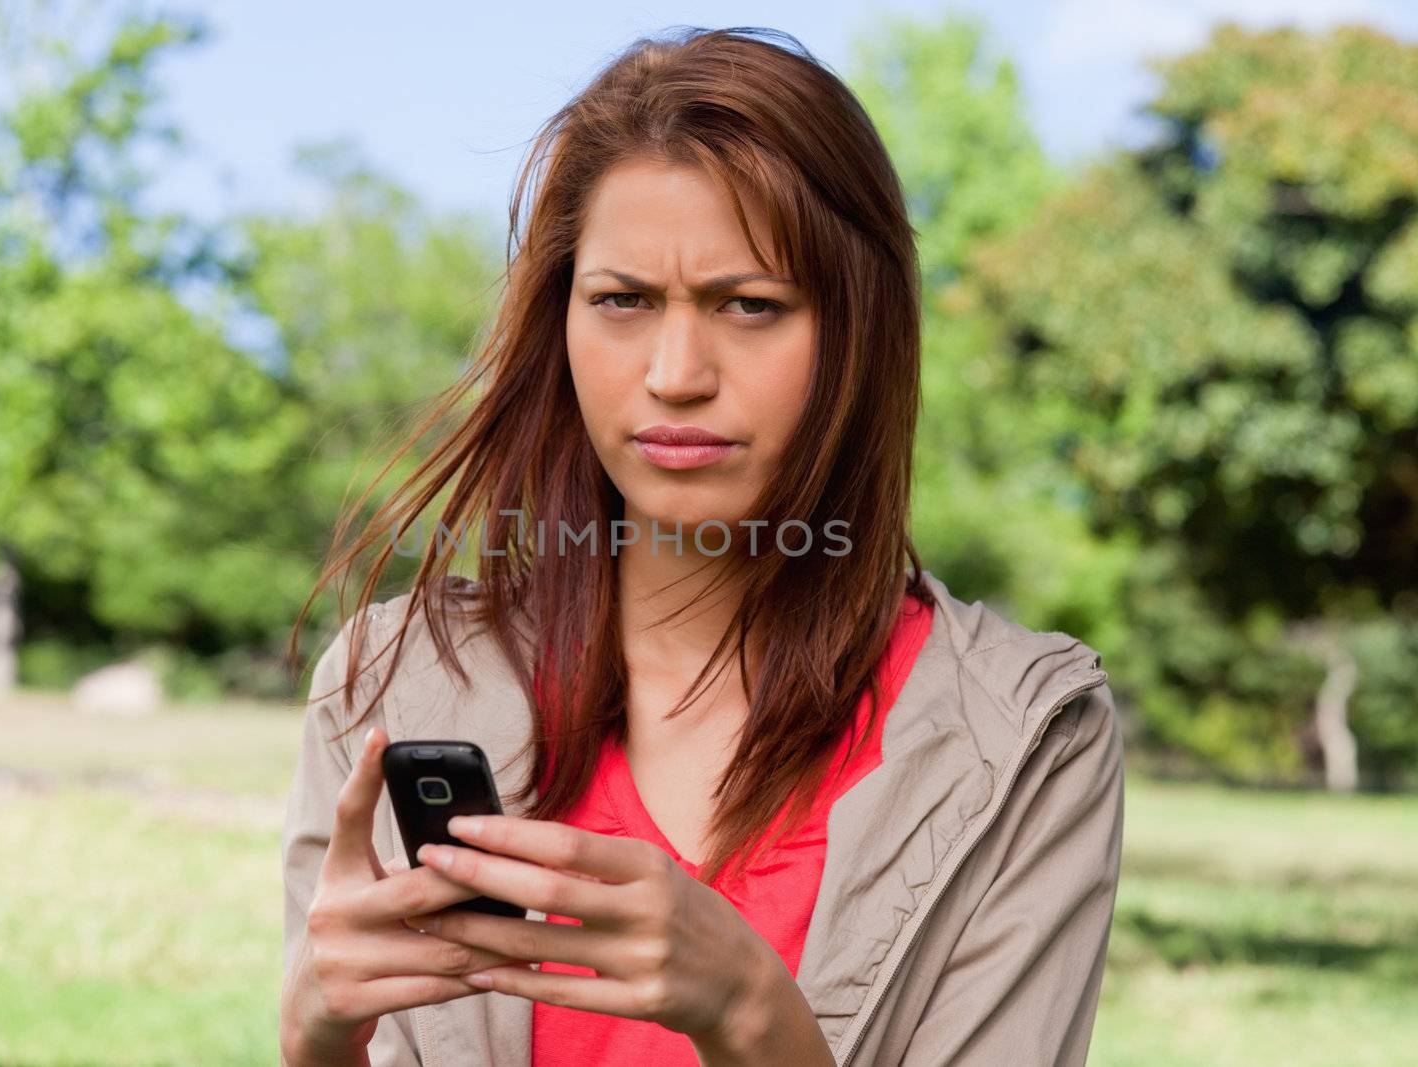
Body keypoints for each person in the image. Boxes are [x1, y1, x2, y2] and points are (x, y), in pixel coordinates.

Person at [279, 25, 1123, 1067]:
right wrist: (318, 1040)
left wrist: (747, 1010)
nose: (676, 371)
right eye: (622, 301)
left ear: (859, 334)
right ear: (562, 321)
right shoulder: (393, 685)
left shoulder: (1028, 734)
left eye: (750, 305)